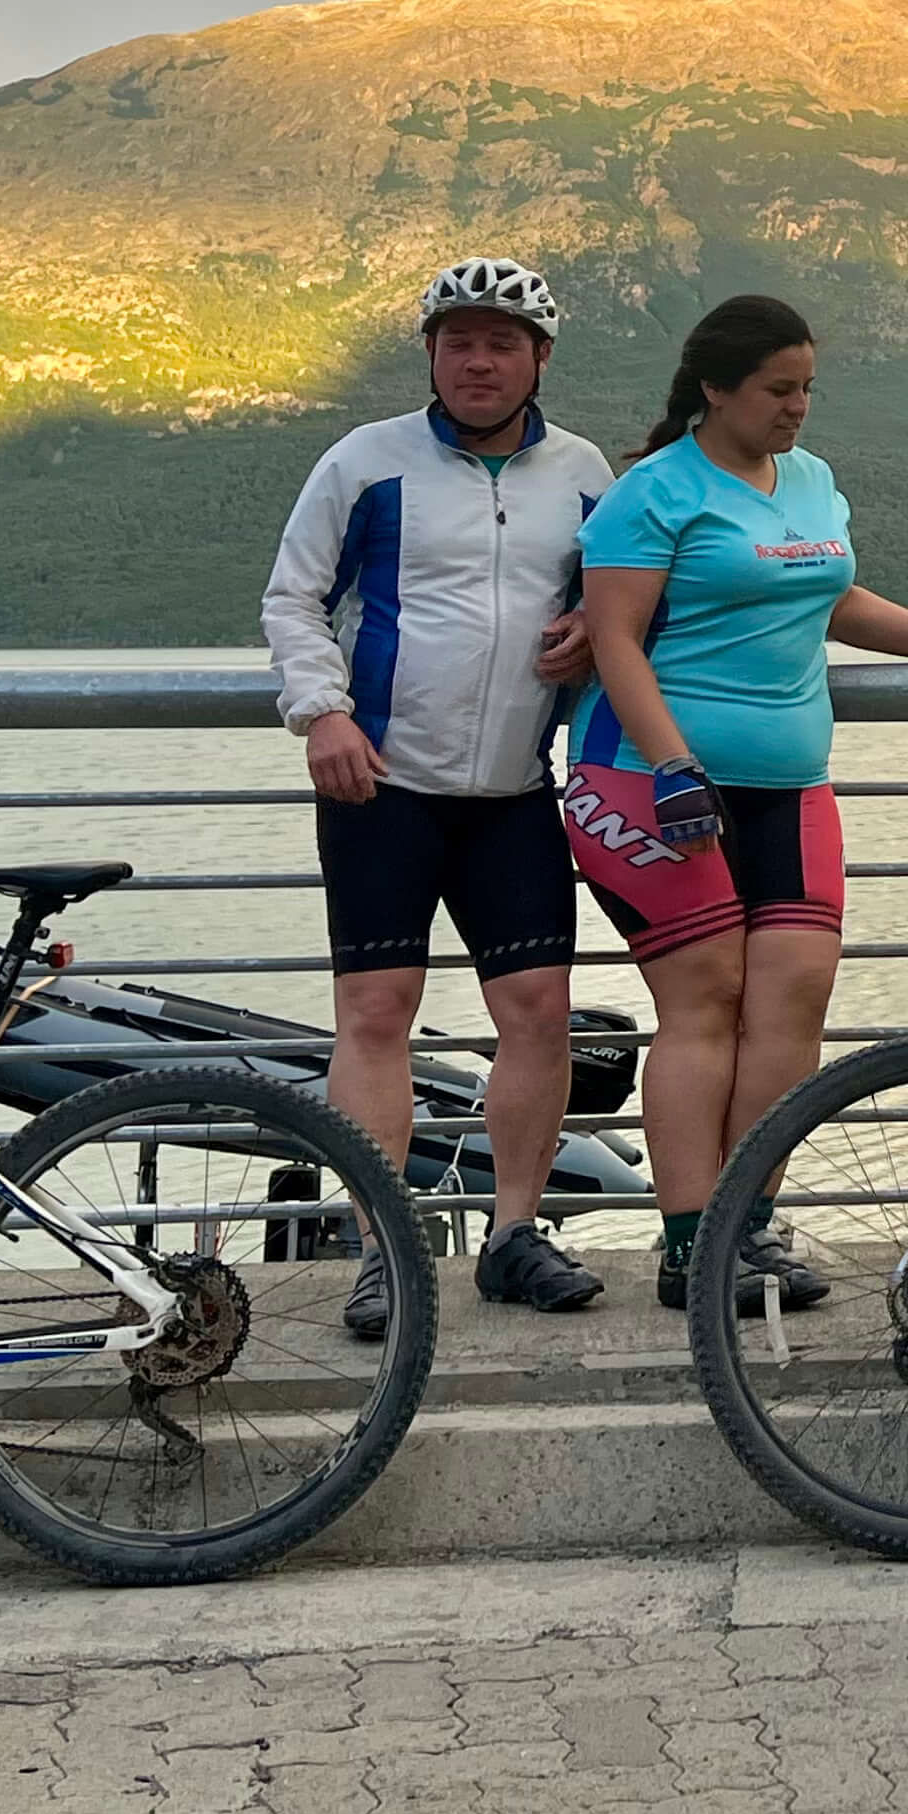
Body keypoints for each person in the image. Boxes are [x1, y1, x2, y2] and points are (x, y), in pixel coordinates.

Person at [566, 294, 908, 1315]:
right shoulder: (653, 493)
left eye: (808, 388)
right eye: (779, 389)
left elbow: (832, 598)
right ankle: (693, 1245)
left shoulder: (810, 482)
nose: (798, 408)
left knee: (795, 998)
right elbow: (615, 642)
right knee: (705, 1001)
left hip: (791, 783)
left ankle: (749, 1224)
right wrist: (675, 761)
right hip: (650, 779)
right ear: (716, 387)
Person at [261, 258, 613, 1339]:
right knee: (376, 1017)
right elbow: (293, 596)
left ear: (540, 359)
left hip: (512, 790)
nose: (478, 359)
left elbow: (633, 598)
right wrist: (320, 711)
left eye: (502, 342)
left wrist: (598, 632)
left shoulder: (588, 474)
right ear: (430, 352)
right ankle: (382, 1251)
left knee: (539, 1014)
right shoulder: (366, 462)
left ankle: (512, 1235)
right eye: (458, 340)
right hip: (383, 783)